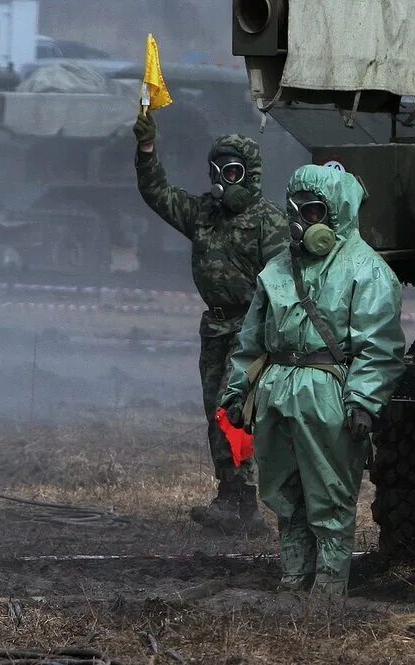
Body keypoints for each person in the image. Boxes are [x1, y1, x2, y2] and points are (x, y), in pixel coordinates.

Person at [221, 164, 406, 595]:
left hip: (329, 393)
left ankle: (328, 589)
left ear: (337, 212)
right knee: (284, 492)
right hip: (277, 386)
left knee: (330, 494)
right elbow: (251, 341)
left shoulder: (366, 270)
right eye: (296, 210)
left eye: (314, 210)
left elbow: (379, 347)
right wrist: (238, 391)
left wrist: (363, 401)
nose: (302, 220)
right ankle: (293, 577)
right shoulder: (278, 270)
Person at [134, 112, 289, 534]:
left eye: (234, 172)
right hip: (215, 329)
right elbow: (157, 193)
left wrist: (271, 336)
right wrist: (146, 149)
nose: (224, 182)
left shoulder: (268, 221)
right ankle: (234, 500)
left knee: (233, 411)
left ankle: (243, 499)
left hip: (249, 330)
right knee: (215, 413)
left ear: (251, 174)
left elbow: (283, 285)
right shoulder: (204, 213)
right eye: (218, 172)